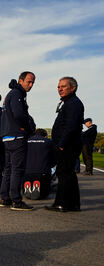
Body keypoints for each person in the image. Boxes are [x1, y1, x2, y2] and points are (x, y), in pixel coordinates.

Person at [46, 77, 84, 212]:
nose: (60, 89)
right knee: (68, 174)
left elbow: (71, 126)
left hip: (67, 145)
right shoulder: (68, 102)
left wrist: (62, 143)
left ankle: (62, 203)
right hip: (67, 144)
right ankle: (73, 204)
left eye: (63, 86)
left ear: (73, 88)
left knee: (64, 174)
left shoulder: (73, 103)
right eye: (58, 87)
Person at [0, 71, 36, 211]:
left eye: (33, 82)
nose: (31, 85)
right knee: (16, 169)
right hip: (16, 135)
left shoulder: (11, 93)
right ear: (21, 81)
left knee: (9, 169)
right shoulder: (17, 94)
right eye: (29, 81)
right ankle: (16, 200)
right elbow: (19, 114)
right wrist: (27, 128)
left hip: (7, 135)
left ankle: (5, 198)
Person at [24, 129, 55, 200]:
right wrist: (51, 165)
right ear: (45, 135)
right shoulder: (48, 141)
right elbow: (54, 156)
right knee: (46, 188)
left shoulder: (27, 141)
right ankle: (42, 192)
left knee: (27, 178)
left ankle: (27, 185)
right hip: (43, 171)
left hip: (27, 171)